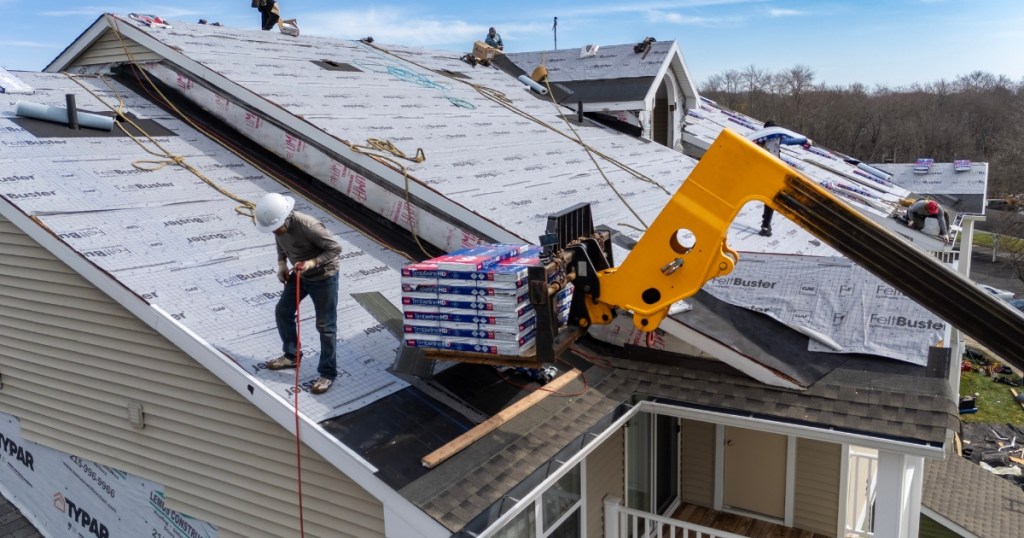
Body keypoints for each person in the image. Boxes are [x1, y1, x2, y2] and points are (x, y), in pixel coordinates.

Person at [254, 193, 342, 394]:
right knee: (283, 311)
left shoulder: (309, 226)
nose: (276, 232)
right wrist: (281, 263)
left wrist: (312, 263)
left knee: (326, 326)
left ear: (286, 217)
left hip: (323, 277)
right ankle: (292, 356)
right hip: (300, 275)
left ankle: (327, 374)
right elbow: (280, 240)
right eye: (272, 230)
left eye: (277, 228)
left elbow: (335, 249)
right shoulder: (278, 227)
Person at [753, 120, 810, 236]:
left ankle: (765, 226)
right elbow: (790, 141)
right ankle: (765, 226)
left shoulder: (758, 139)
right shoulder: (775, 138)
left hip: (760, 172)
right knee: (771, 199)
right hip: (772, 172)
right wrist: (804, 140)